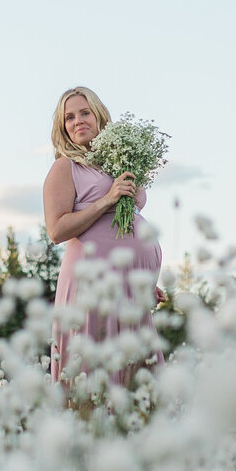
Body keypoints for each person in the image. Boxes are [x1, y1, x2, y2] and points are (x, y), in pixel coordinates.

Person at [43, 85, 162, 387]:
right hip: (90, 286)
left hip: (127, 289)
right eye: (69, 117)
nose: (78, 121)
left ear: (99, 116)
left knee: (137, 387)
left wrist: (141, 279)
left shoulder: (120, 160)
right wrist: (106, 200)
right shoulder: (65, 167)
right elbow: (56, 230)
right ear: (63, 127)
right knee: (94, 380)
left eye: (84, 113)